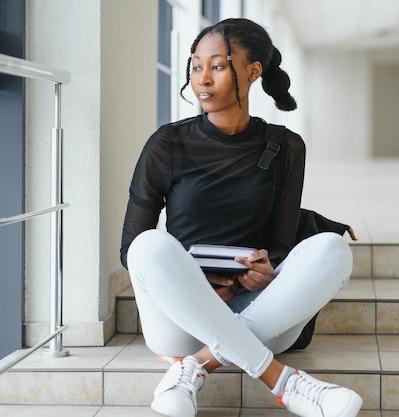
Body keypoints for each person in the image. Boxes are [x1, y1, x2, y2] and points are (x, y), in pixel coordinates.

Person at [120, 17, 362, 417]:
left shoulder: (286, 147)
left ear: (253, 71)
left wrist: (267, 272)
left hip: (261, 311)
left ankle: (193, 368)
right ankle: (286, 383)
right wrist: (195, 283)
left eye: (217, 66)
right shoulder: (167, 144)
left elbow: (281, 245)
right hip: (181, 320)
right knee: (150, 245)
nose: (203, 79)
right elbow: (131, 249)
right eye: (196, 66)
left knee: (332, 249)